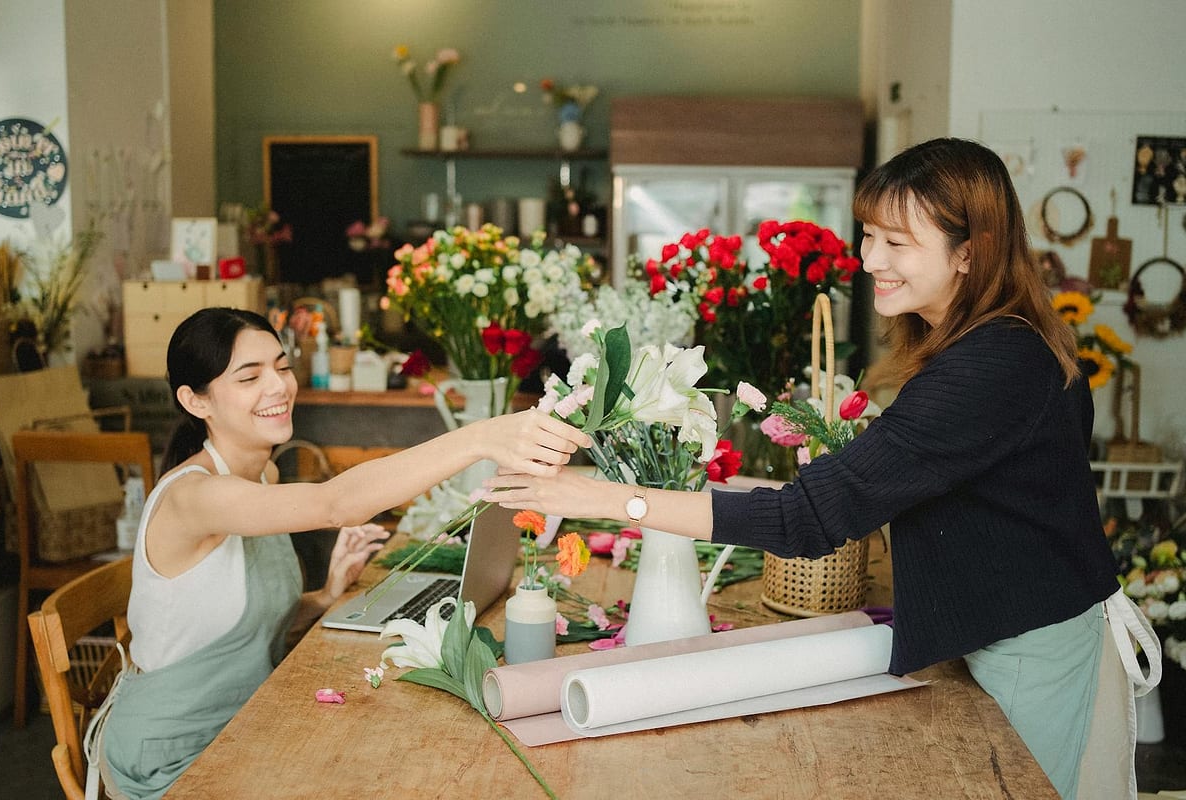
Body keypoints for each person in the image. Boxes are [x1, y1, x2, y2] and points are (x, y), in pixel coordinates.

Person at [487, 138, 1156, 799]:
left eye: (897, 243)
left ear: (967, 253)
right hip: (1004, 626)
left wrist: (607, 498)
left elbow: (805, 520)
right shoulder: (991, 343)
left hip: (1034, 645)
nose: (871, 260)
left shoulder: (991, 367)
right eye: (868, 236)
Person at [96, 307, 591, 799]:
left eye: (282, 367)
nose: (278, 387)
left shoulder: (262, 477)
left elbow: (228, 630)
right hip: (171, 759)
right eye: (249, 376)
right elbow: (336, 504)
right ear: (195, 400)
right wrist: (479, 438)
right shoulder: (194, 497)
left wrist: (325, 595)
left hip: (247, 728)